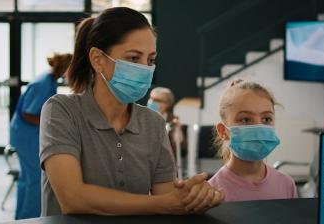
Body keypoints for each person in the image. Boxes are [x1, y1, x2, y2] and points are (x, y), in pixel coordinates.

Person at [39, 7, 224, 216]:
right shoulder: (61, 110)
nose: (145, 68)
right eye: (134, 58)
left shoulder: (153, 122)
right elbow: (72, 199)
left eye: (151, 60)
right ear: (98, 59)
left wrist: (195, 196)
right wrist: (163, 203)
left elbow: (167, 197)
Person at [208, 79, 298, 202]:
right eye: (245, 119)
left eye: (266, 119)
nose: (258, 127)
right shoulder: (212, 193)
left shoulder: (286, 185)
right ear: (223, 131)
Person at [10, 53, 72, 219]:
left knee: (26, 178)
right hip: (26, 136)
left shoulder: (49, 79)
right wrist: (51, 122)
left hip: (22, 133)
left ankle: (20, 218)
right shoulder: (44, 83)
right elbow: (27, 113)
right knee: (35, 179)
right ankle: (29, 219)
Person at [147, 87, 187, 159]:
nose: (152, 102)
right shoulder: (141, 117)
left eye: (157, 100)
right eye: (151, 98)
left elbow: (180, 146)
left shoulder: (173, 120)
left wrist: (178, 130)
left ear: (167, 104)